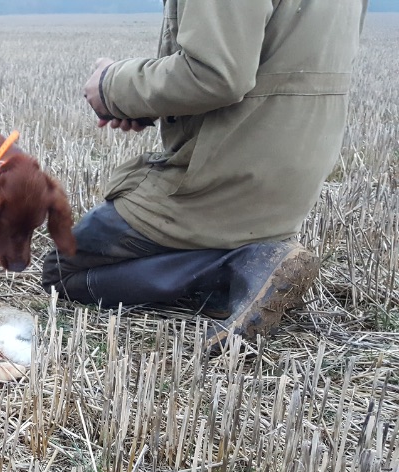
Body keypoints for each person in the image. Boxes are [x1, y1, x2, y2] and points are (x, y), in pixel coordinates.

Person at [41, 0, 368, 352]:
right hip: (291, 178)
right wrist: (142, 105)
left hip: (222, 179)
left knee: (64, 272)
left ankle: (236, 270)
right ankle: (246, 266)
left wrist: (112, 85)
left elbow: (215, 75)